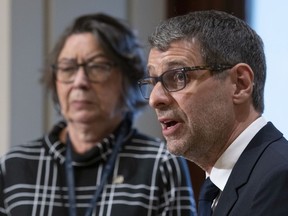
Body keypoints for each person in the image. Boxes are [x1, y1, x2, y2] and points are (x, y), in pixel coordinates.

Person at [0, 13, 197, 216]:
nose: (80, 82)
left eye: (97, 67)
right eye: (68, 68)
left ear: (127, 78)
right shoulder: (15, 166)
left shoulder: (159, 163)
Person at [138, 10, 288, 216]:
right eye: (153, 82)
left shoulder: (279, 179)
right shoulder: (222, 184)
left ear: (239, 84)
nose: (155, 99)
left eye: (178, 76)